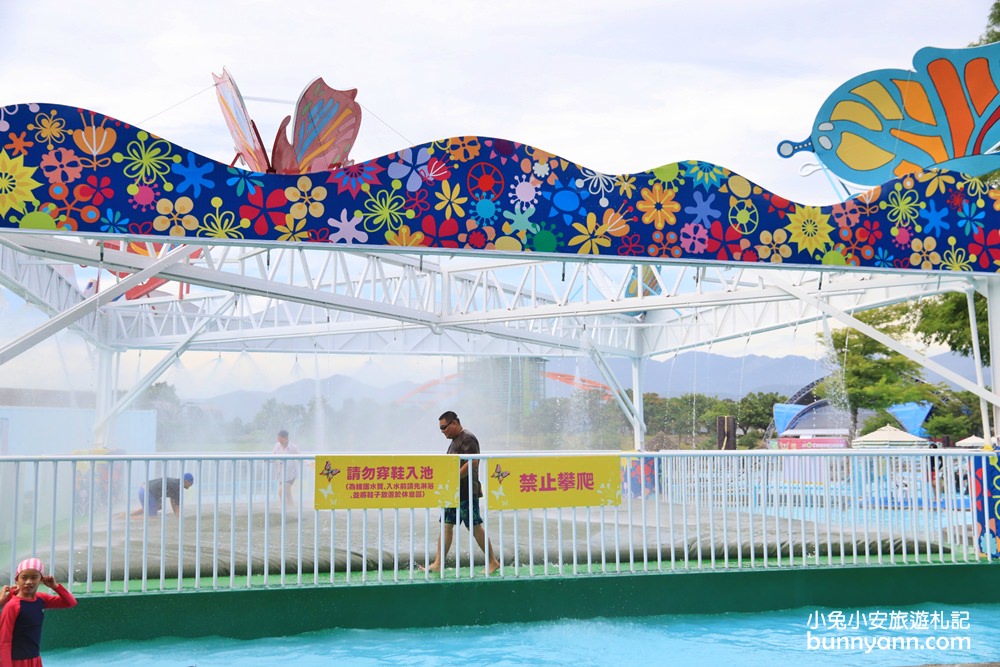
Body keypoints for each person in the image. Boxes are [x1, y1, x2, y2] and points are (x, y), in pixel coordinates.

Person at [422, 411, 501, 575]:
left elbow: (473, 462)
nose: (442, 431)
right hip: (453, 492)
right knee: (446, 525)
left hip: (466, 491)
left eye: (444, 427)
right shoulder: (454, 441)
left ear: (454, 423)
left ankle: (493, 561)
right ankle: (438, 563)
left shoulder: (468, 438)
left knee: (474, 526)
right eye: (440, 429)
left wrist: (453, 478)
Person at [0, 557, 77, 667]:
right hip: (16, 661)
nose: (29, 582)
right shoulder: (12, 606)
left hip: (34, 659)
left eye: (34, 577)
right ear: (17, 579)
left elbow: (70, 603)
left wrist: (55, 587)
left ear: (41, 579)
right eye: (24, 578)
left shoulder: (41, 599)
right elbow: (4, 641)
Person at [128, 473, 194, 518]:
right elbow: (176, 508)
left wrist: (176, 516)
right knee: (152, 518)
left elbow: (174, 503)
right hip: (147, 492)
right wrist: (179, 521)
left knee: (158, 506)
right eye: (191, 483)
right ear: (186, 481)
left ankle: (130, 514)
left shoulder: (175, 484)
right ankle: (128, 518)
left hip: (144, 489)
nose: (191, 485)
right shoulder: (177, 487)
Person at [272, 429, 300, 506]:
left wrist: (309, 463)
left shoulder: (293, 447)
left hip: (290, 474)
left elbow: (300, 457)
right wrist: (268, 460)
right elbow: (273, 457)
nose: (279, 441)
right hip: (281, 474)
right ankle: (292, 507)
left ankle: (284, 508)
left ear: (286, 438)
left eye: (281, 439)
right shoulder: (277, 446)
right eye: (278, 439)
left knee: (281, 491)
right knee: (287, 493)